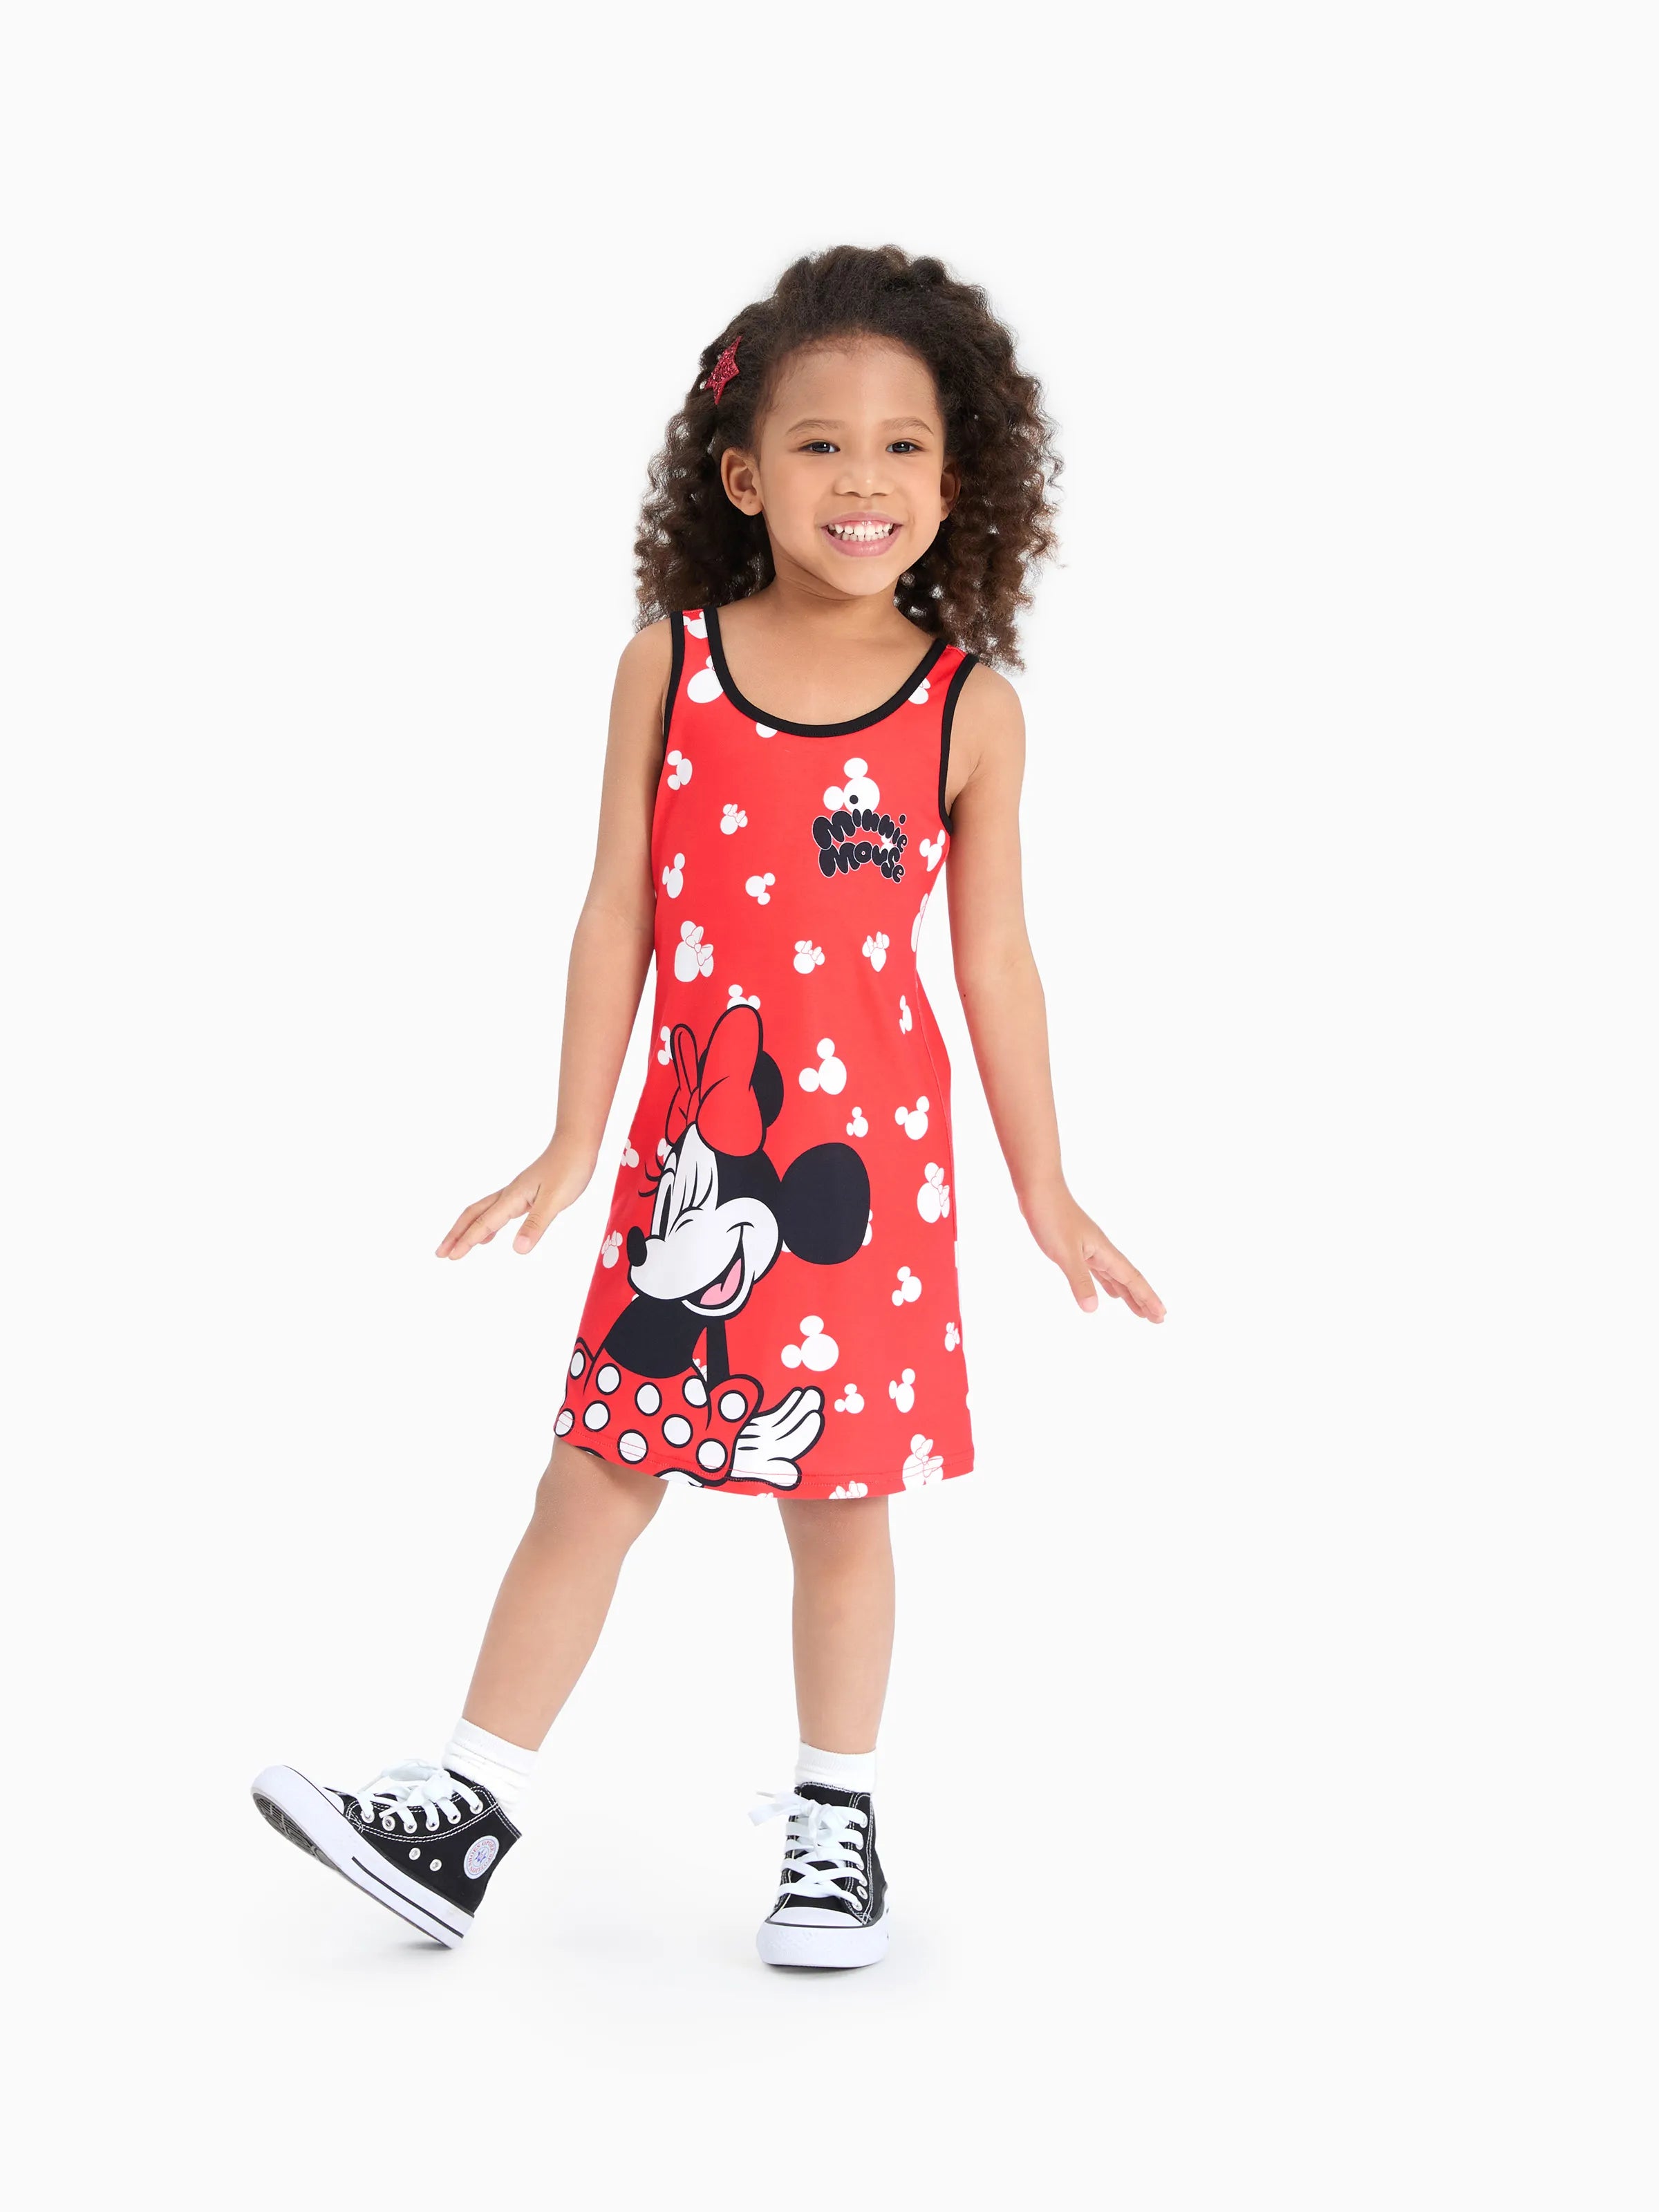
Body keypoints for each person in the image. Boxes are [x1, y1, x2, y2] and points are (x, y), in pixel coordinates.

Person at [252, 243, 1165, 1970]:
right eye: (821, 443)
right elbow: (617, 910)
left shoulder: (969, 710)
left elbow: (999, 963)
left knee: (840, 1509)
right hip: (687, 1164)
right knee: (590, 1479)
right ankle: (463, 1813)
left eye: (904, 445)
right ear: (745, 477)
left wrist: (1046, 1189)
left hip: (865, 1185)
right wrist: (571, 1137)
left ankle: (837, 1831)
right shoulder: (666, 667)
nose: (863, 479)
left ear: (956, 479)